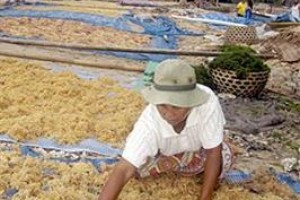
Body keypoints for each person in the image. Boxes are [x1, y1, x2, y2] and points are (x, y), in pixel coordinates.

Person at [98, 59, 232, 200]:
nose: (169, 114)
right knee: (137, 169)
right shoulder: (150, 120)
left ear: (191, 102)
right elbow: (124, 168)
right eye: (162, 105)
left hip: (200, 150)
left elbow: (212, 152)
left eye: (176, 107)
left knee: (223, 157)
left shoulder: (207, 103)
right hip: (164, 153)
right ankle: (179, 162)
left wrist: (205, 197)